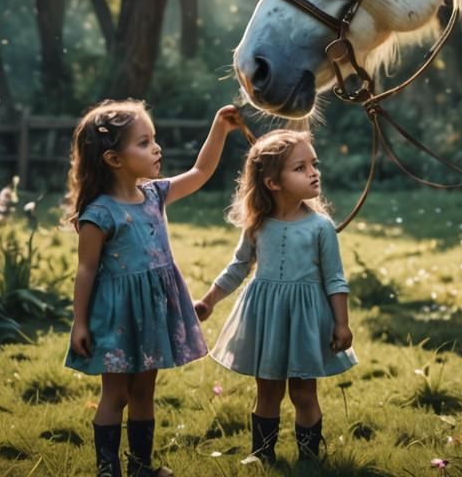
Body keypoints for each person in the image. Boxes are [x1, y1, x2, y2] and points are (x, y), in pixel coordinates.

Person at [62, 99, 243, 476]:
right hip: (117, 318)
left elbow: (201, 170)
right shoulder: (98, 214)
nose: (156, 148)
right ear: (113, 159)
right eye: (143, 143)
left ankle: (141, 467)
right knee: (116, 394)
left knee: (145, 391)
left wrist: (220, 127)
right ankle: (107, 470)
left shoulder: (155, 195)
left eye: (154, 139)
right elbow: (85, 270)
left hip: (153, 314)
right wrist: (80, 323)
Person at [195, 130, 356, 463]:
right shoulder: (257, 225)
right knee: (267, 389)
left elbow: (335, 279)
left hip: (305, 321)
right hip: (266, 318)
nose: (314, 172)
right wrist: (209, 300)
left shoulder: (320, 227)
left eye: (314, 164)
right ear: (273, 183)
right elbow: (238, 267)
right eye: (300, 168)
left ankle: (309, 459)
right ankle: (262, 455)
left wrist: (342, 324)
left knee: (302, 391)